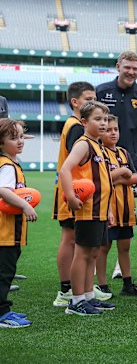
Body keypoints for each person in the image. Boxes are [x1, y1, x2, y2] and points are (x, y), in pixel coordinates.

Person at [51, 82, 113, 307]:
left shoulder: (99, 146)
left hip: (101, 210)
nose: (104, 124)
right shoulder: (83, 143)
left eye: (105, 119)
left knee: (93, 253)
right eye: (98, 119)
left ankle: (88, 295)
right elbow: (66, 169)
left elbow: (105, 182)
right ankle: (76, 300)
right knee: (83, 253)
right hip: (87, 209)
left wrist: (110, 210)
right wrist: (70, 195)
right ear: (85, 122)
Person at [95, 115, 137, 297]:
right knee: (104, 248)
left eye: (115, 129)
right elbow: (101, 179)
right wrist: (122, 173)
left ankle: (127, 284)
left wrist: (117, 177)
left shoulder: (124, 152)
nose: (113, 133)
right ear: (101, 133)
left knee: (124, 247)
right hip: (108, 209)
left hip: (126, 209)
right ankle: (102, 285)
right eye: (108, 130)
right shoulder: (99, 153)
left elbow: (134, 177)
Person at [0, 119, 37, 328]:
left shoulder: (11, 163)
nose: (20, 141)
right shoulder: (7, 166)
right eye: (14, 138)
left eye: (22, 136)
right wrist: (25, 206)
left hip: (9, 231)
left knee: (6, 271)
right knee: (4, 273)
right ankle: (2, 313)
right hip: (5, 231)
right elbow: (3, 190)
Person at [96, 51, 137, 170]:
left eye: (135, 69)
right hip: (100, 160)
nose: (131, 72)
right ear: (118, 67)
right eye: (127, 68)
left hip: (130, 164)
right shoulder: (101, 92)